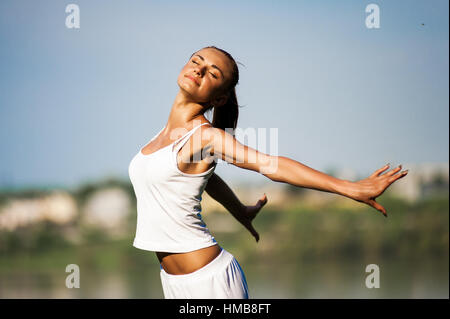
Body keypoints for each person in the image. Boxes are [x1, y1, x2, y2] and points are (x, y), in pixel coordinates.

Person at [128, 45, 408, 299]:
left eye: (212, 73)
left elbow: (271, 165)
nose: (199, 70)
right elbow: (202, 179)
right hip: (174, 283)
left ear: (220, 98)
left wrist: (349, 188)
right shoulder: (165, 136)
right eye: (195, 61)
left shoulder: (207, 137)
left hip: (209, 283)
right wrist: (240, 210)